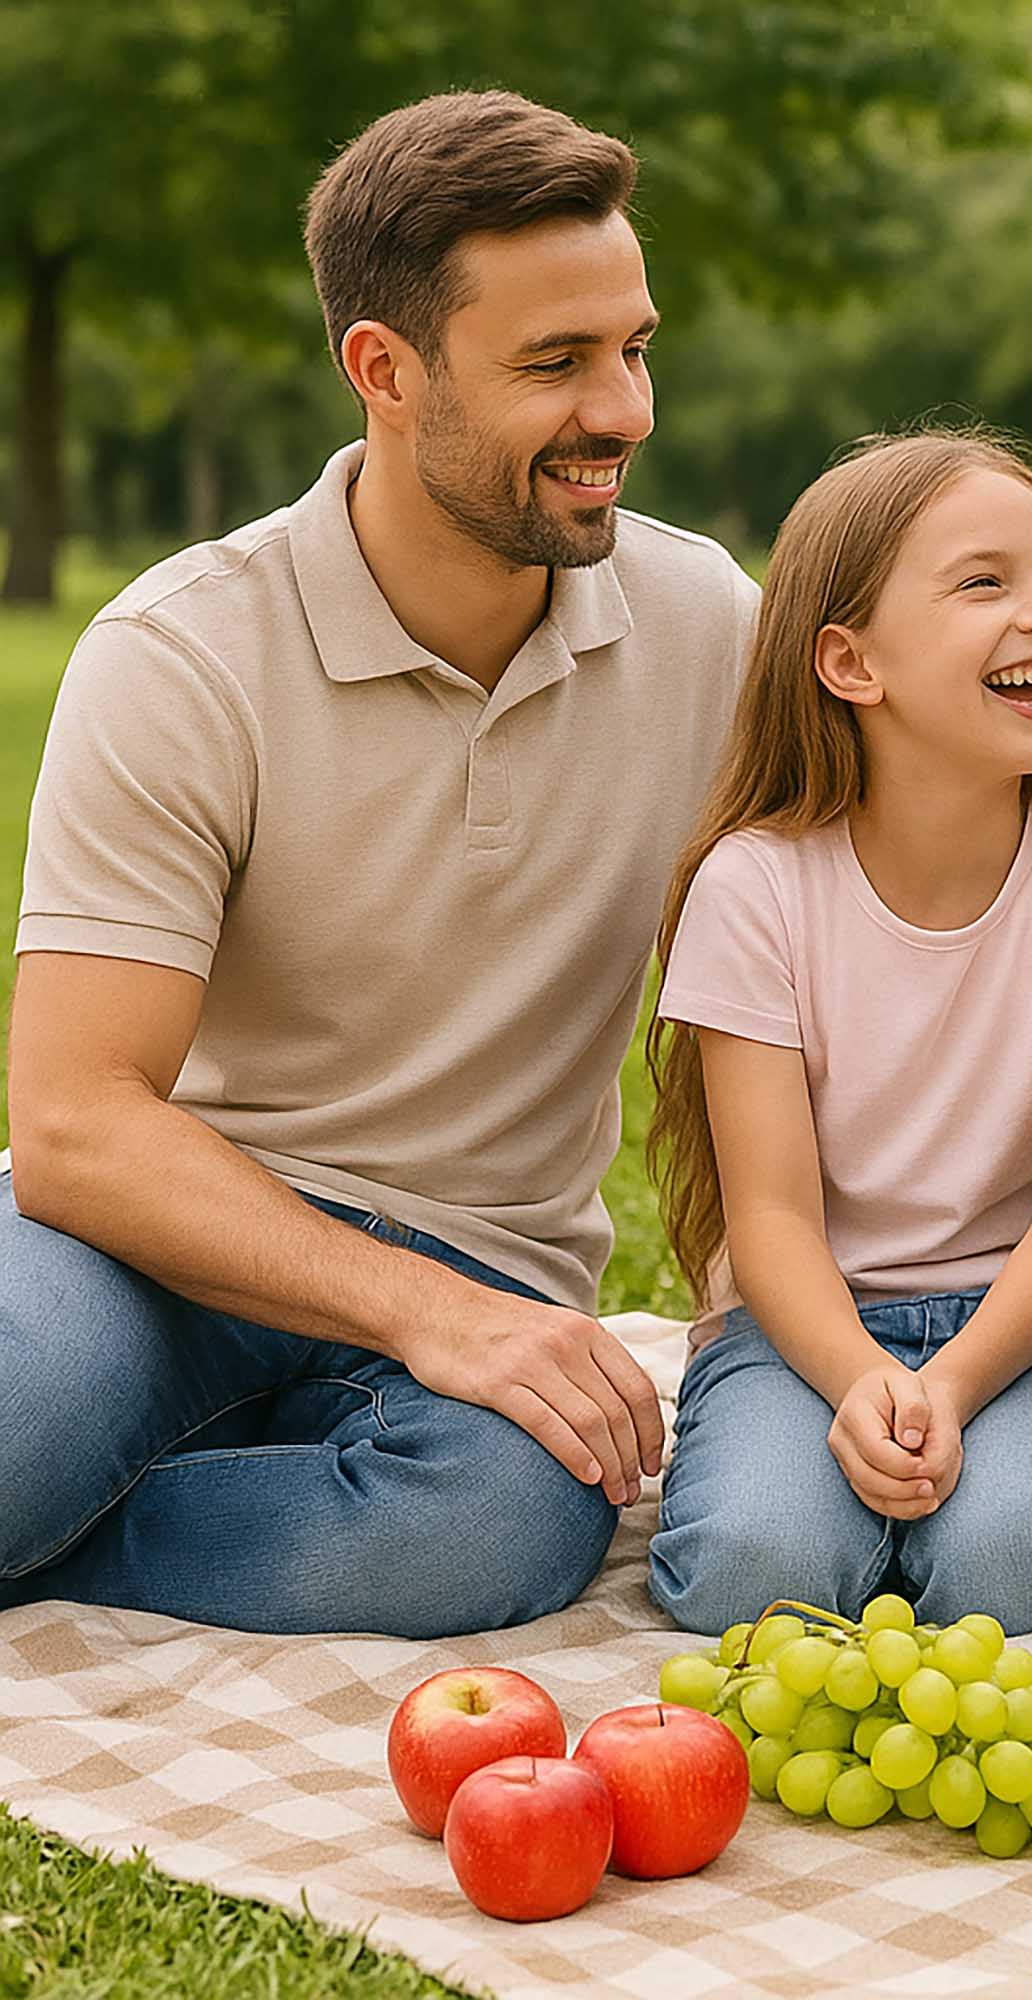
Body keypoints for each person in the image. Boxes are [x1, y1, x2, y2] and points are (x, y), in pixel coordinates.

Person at [0, 91, 759, 1638]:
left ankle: (69, 1538)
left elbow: (795, 1009)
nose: (625, 410)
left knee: (488, 1531)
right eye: (557, 364)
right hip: (166, 1240)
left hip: (487, 1258)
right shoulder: (183, 654)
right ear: (384, 371)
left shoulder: (709, 632)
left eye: (635, 346)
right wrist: (425, 1317)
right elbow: (75, 1127)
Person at [646, 430, 1032, 1636]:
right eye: (982, 583)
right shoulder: (755, 885)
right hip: (804, 1324)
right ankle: (865, 1512)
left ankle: (918, 1512)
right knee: (750, 1570)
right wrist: (858, 1381)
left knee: (1009, 1571)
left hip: (1029, 1321)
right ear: (850, 661)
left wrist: (946, 1384)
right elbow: (771, 1217)